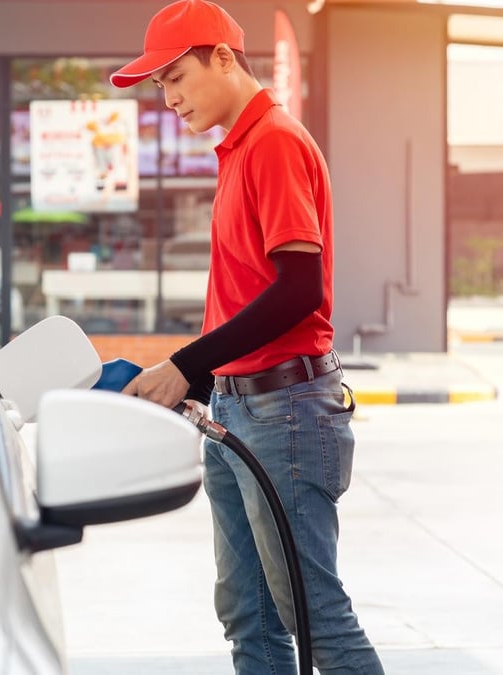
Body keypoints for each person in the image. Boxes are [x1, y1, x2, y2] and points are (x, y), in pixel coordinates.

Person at [111, 2, 384, 673]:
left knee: (310, 613)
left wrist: (185, 362)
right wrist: (196, 380)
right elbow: (246, 290)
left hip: (285, 413)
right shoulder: (237, 149)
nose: (169, 98)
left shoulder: (274, 143)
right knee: (249, 616)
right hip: (236, 407)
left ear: (224, 59)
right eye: (159, 86)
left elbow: (299, 290)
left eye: (176, 76)